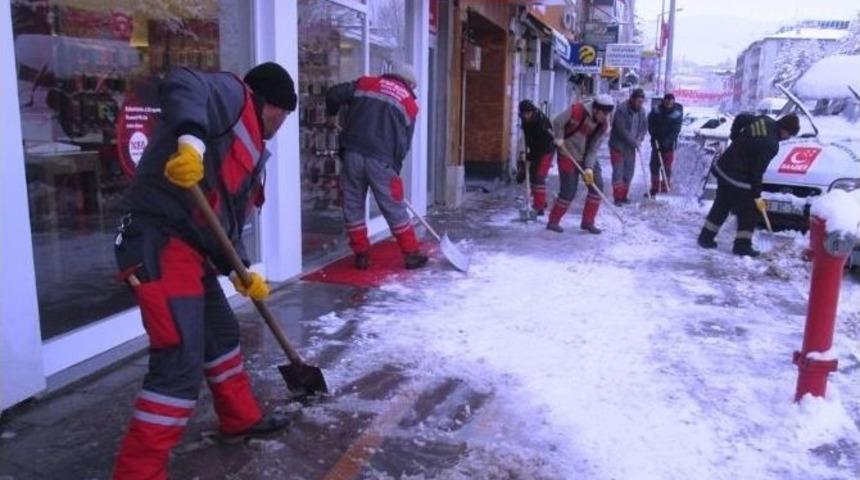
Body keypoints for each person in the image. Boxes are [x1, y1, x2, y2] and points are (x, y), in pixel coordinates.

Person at [112, 62, 297, 479]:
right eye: (281, 115)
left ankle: (240, 418)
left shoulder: (250, 155)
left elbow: (226, 221)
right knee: (179, 358)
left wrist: (241, 270)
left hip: (191, 251)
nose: (281, 125)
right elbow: (181, 80)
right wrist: (190, 141)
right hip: (156, 239)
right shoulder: (231, 98)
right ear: (265, 102)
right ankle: (137, 473)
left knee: (221, 334)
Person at [326, 63, 427, 270]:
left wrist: (331, 115)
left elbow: (334, 94)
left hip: (352, 153)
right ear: (408, 83)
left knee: (353, 204)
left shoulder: (365, 83)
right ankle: (411, 254)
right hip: (381, 161)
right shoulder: (409, 103)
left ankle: (361, 254)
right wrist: (394, 168)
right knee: (394, 207)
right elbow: (404, 143)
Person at [697, 113, 800, 257]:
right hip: (739, 178)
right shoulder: (771, 145)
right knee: (750, 212)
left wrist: (735, 137)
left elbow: (740, 118)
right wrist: (757, 196)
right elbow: (757, 172)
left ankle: (705, 238)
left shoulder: (764, 120)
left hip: (724, 168)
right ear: (784, 129)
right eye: (789, 134)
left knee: (721, 206)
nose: (788, 138)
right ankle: (742, 246)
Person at [548, 94, 615, 234]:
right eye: (604, 113)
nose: (605, 117)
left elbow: (593, 148)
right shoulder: (577, 110)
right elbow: (557, 122)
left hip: (586, 156)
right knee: (568, 191)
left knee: (597, 187)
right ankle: (553, 221)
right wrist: (559, 139)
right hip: (568, 154)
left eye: (608, 114)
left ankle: (588, 222)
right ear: (596, 109)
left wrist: (589, 168)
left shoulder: (603, 125)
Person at [608, 88, 648, 205]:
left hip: (630, 148)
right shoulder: (622, 110)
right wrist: (634, 141)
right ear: (632, 99)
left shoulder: (642, 111)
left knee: (629, 173)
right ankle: (617, 198)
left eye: (641, 102)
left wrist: (640, 138)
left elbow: (644, 127)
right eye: (638, 101)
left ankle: (624, 196)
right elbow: (621, 130)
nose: (640, 104)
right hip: (618, 146)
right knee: (618, 173)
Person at [518, 100, 555, 214]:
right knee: (533, 177)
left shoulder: (540, 124)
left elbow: (543, 145)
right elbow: (528, 136)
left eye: (528, 114)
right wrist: (524, 152)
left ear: (532, 112)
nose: (526, 116)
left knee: (539, 178)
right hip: (535, 150)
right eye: (524, 114)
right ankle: (540, 201)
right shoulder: (525, 121)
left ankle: (539, 208)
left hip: (546, 151)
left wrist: (528, 156)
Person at [647, 93, 684, 196]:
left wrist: (667, 142)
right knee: (654, 166)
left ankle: (665, 188)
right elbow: (650, 123)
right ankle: (654, 188)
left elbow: (676, 131)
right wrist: (653, 135)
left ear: (673, 103)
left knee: (666, 167)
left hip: (669, 146)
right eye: (666, 102)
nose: (668, 105)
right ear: (663, 101)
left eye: (670, 103)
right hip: (656, 143)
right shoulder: (656, 111)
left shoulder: (677, 114)